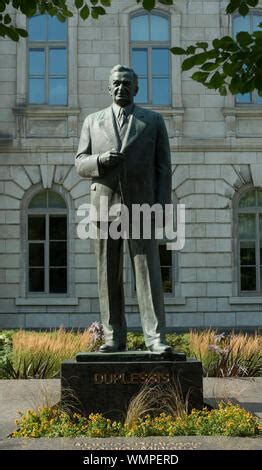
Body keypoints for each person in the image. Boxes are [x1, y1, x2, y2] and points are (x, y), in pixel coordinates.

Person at [75, 64, 172, 353]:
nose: (121, 88)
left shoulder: (153, 122)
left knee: (147, 272)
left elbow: (163, 168)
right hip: (104, 206)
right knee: (108, 273)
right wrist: (101, 160)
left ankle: (155, 338)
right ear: (109, 87)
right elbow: (80, 162)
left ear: (136, 88)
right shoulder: (93, 121)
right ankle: (112, 337)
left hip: (142, 205)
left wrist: (161, 206)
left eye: (127, 83)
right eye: (116, 83)